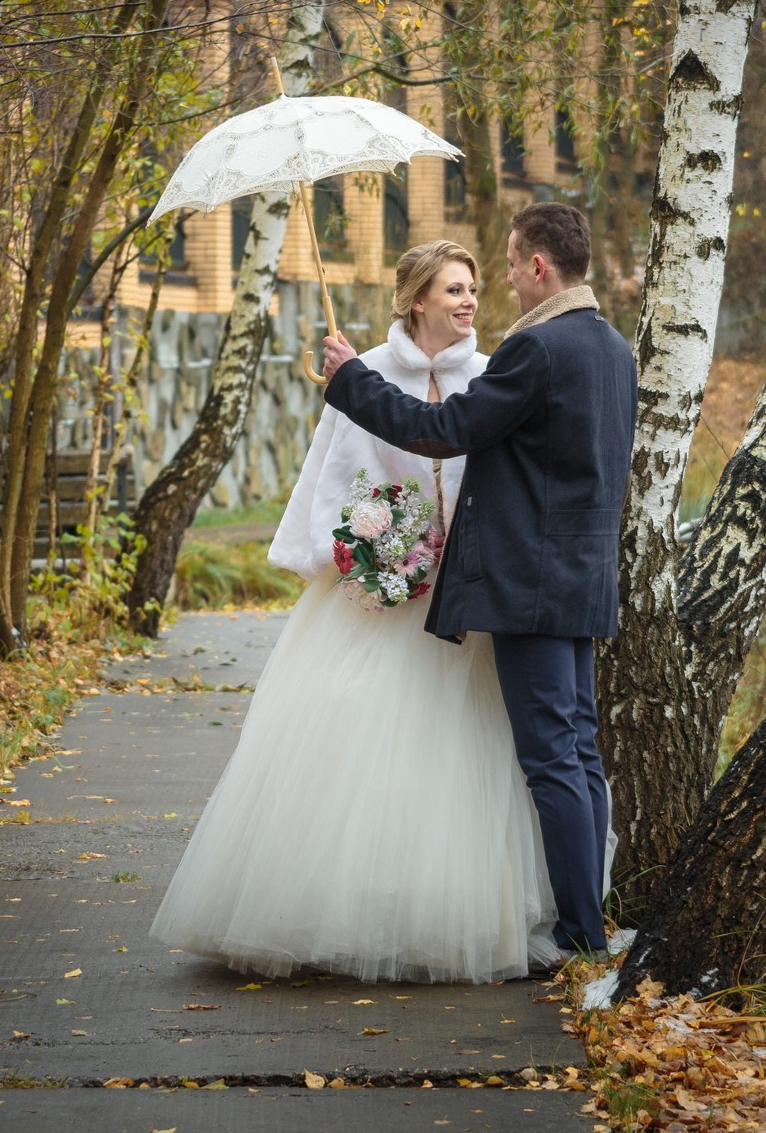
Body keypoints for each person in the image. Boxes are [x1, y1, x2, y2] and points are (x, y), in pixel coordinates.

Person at [150, 241, 559, 983]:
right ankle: (344, 910)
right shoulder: (362, 372)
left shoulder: (490, 373)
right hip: (379, 598)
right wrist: (367, 554)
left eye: (473, 287)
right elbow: (333, 480)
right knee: (362, 752)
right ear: (417, 299)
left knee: (460, 755)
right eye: (454, 289)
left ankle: (448, 910)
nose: (470, 300)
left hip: (466, 600)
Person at [321, 202, 636, 959]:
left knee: (552, 760)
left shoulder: (538, 349)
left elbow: (445, 430)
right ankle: (590, 922)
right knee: (580, 753)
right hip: (585, 578)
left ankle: (582, 937)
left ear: (539, 265)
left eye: (510, 263)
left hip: (530, 585)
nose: (505, 280)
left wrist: (351, 380)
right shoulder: (614, 347)